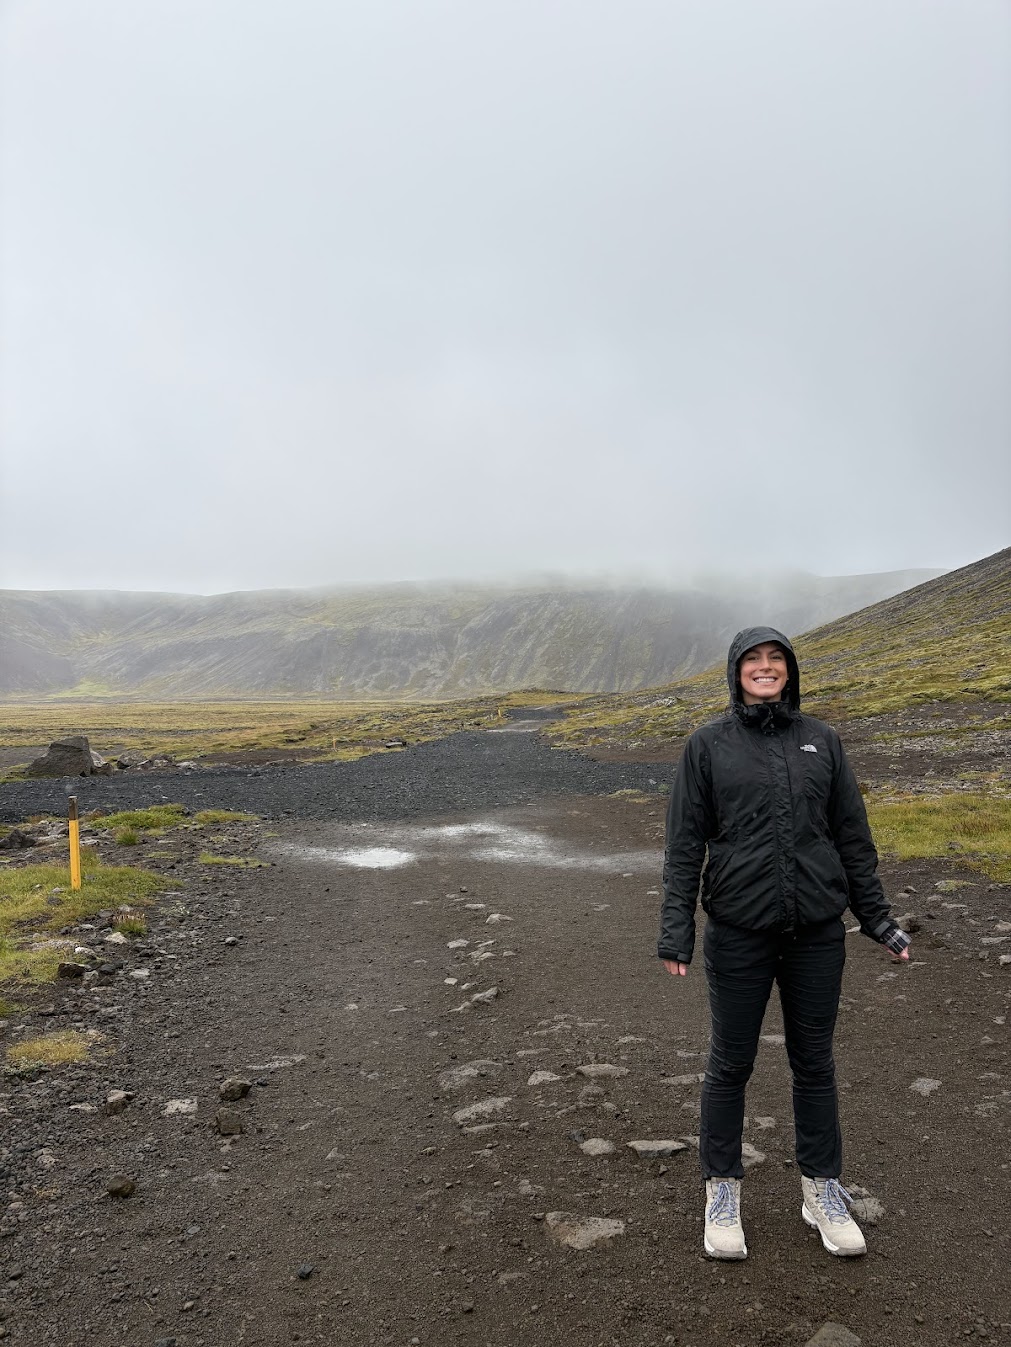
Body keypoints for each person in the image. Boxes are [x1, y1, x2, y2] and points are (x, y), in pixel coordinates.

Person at [658, 626, 910, 1261]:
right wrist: (676, 930)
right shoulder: (707, 745)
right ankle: (722, 1191)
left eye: (776, 659)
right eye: (753, 660)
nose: (765, 668)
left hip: (818, 933)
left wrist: (877, 919)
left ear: (790, 670)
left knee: (815, 1062)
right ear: (735, 672)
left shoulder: (822, 740)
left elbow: (852, 837)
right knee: (730, 1063)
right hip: (739, 932)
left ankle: (821, 1190)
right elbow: (686, 845)